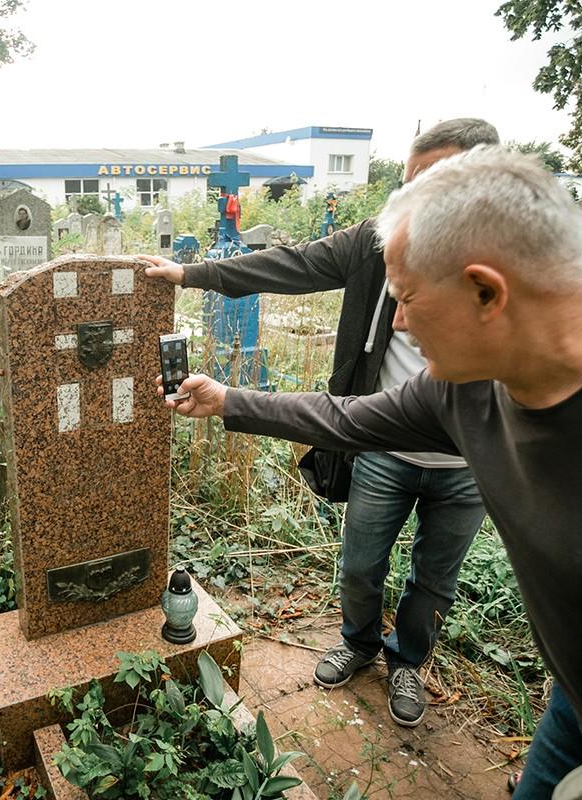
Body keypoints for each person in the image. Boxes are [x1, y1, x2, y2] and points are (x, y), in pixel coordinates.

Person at [155, 145, 582, 799]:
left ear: (486, 291)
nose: (396, 321)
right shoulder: (468, 390)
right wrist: (227, 400)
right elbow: (348, 419)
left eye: (407, 298)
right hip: (579, 718)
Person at [142, 118, 500, 727]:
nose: (402, 323)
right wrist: (195, 275)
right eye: (407, 182)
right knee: (361, 563)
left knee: (435, 581)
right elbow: (295, 267)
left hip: (467, 467)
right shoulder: (378, 241)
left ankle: (408, 661)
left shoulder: (519, 301)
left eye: (433, 183)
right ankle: (359, 644)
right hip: (382, 439)